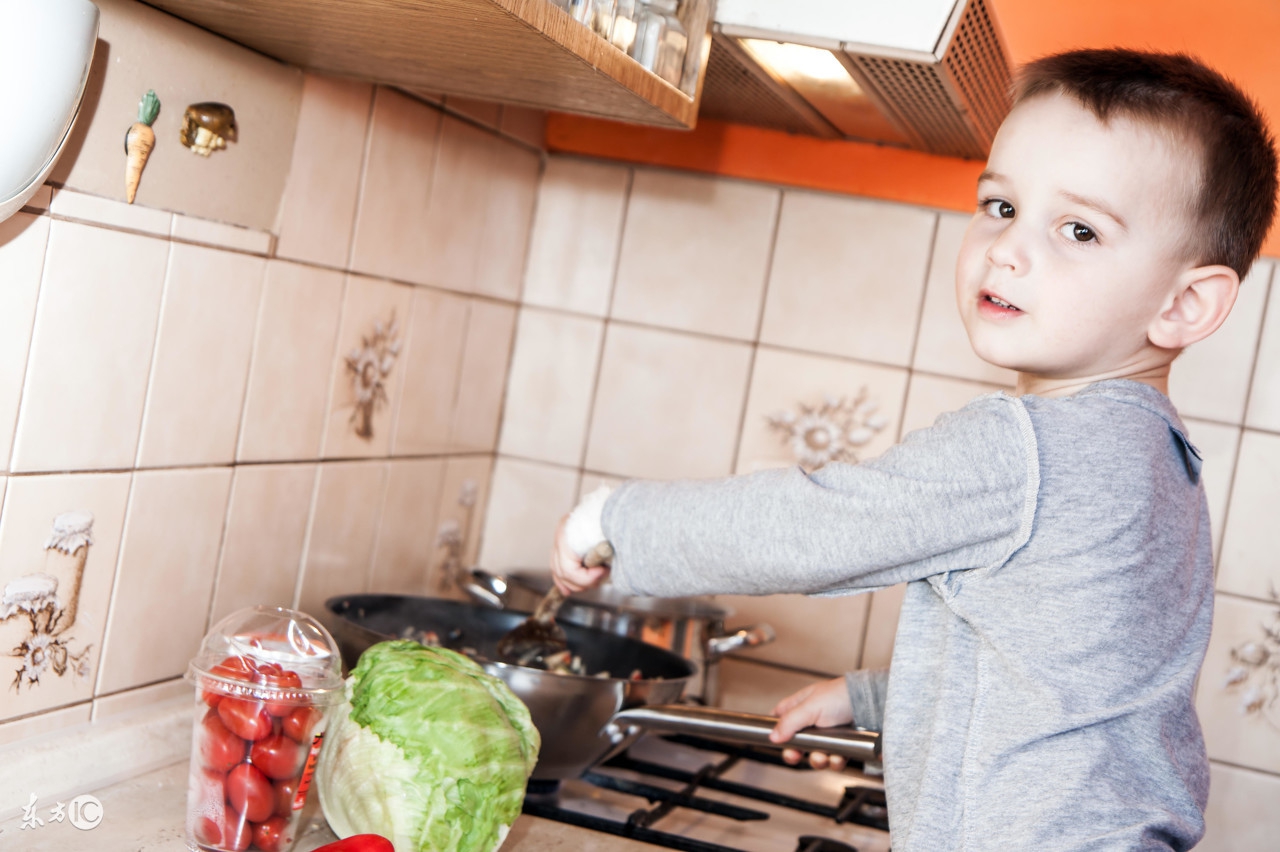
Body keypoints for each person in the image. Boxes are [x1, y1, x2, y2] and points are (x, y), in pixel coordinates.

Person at [549, 48, 1278, 851]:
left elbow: (820, 527)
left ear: (1184, 304)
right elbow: (1069, 685)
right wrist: (873, 699)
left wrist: (618, 520)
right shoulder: (1160, 462)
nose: (1008, 249)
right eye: (1000, 206)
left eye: (1078, 229)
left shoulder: (1029, 446)